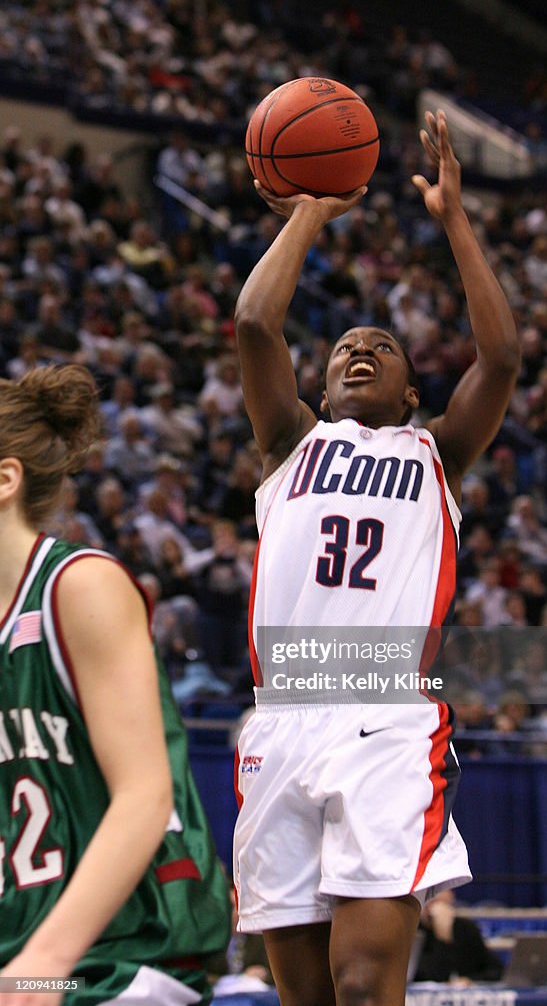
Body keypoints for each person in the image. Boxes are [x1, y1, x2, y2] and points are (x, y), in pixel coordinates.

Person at [232, 109, 520, 1006]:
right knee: (304, 997)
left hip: (384, 715)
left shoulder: (438, 450)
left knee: (363, 987)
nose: (359, 349)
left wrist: (453, 221)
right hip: (279, 718)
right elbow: (251, 320)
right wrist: (309, 212)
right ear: (318, 386)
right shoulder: (288, 439)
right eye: (344, 350)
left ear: (410, 389)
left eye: (381, 348)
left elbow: (502, 355)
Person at [0, 364, 230, 1006]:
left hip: (109, 958)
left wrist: (41, 964)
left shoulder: (78, 587)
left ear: (5, 479)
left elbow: (144, 796)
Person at [413, 889, 503, 984]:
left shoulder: (467, 928)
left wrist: (470, 980)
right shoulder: (413, 931)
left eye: (439, 891)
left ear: (451, 896)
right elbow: (431, 976)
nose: (433, 899)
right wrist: (443, 937)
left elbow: (495, 970)